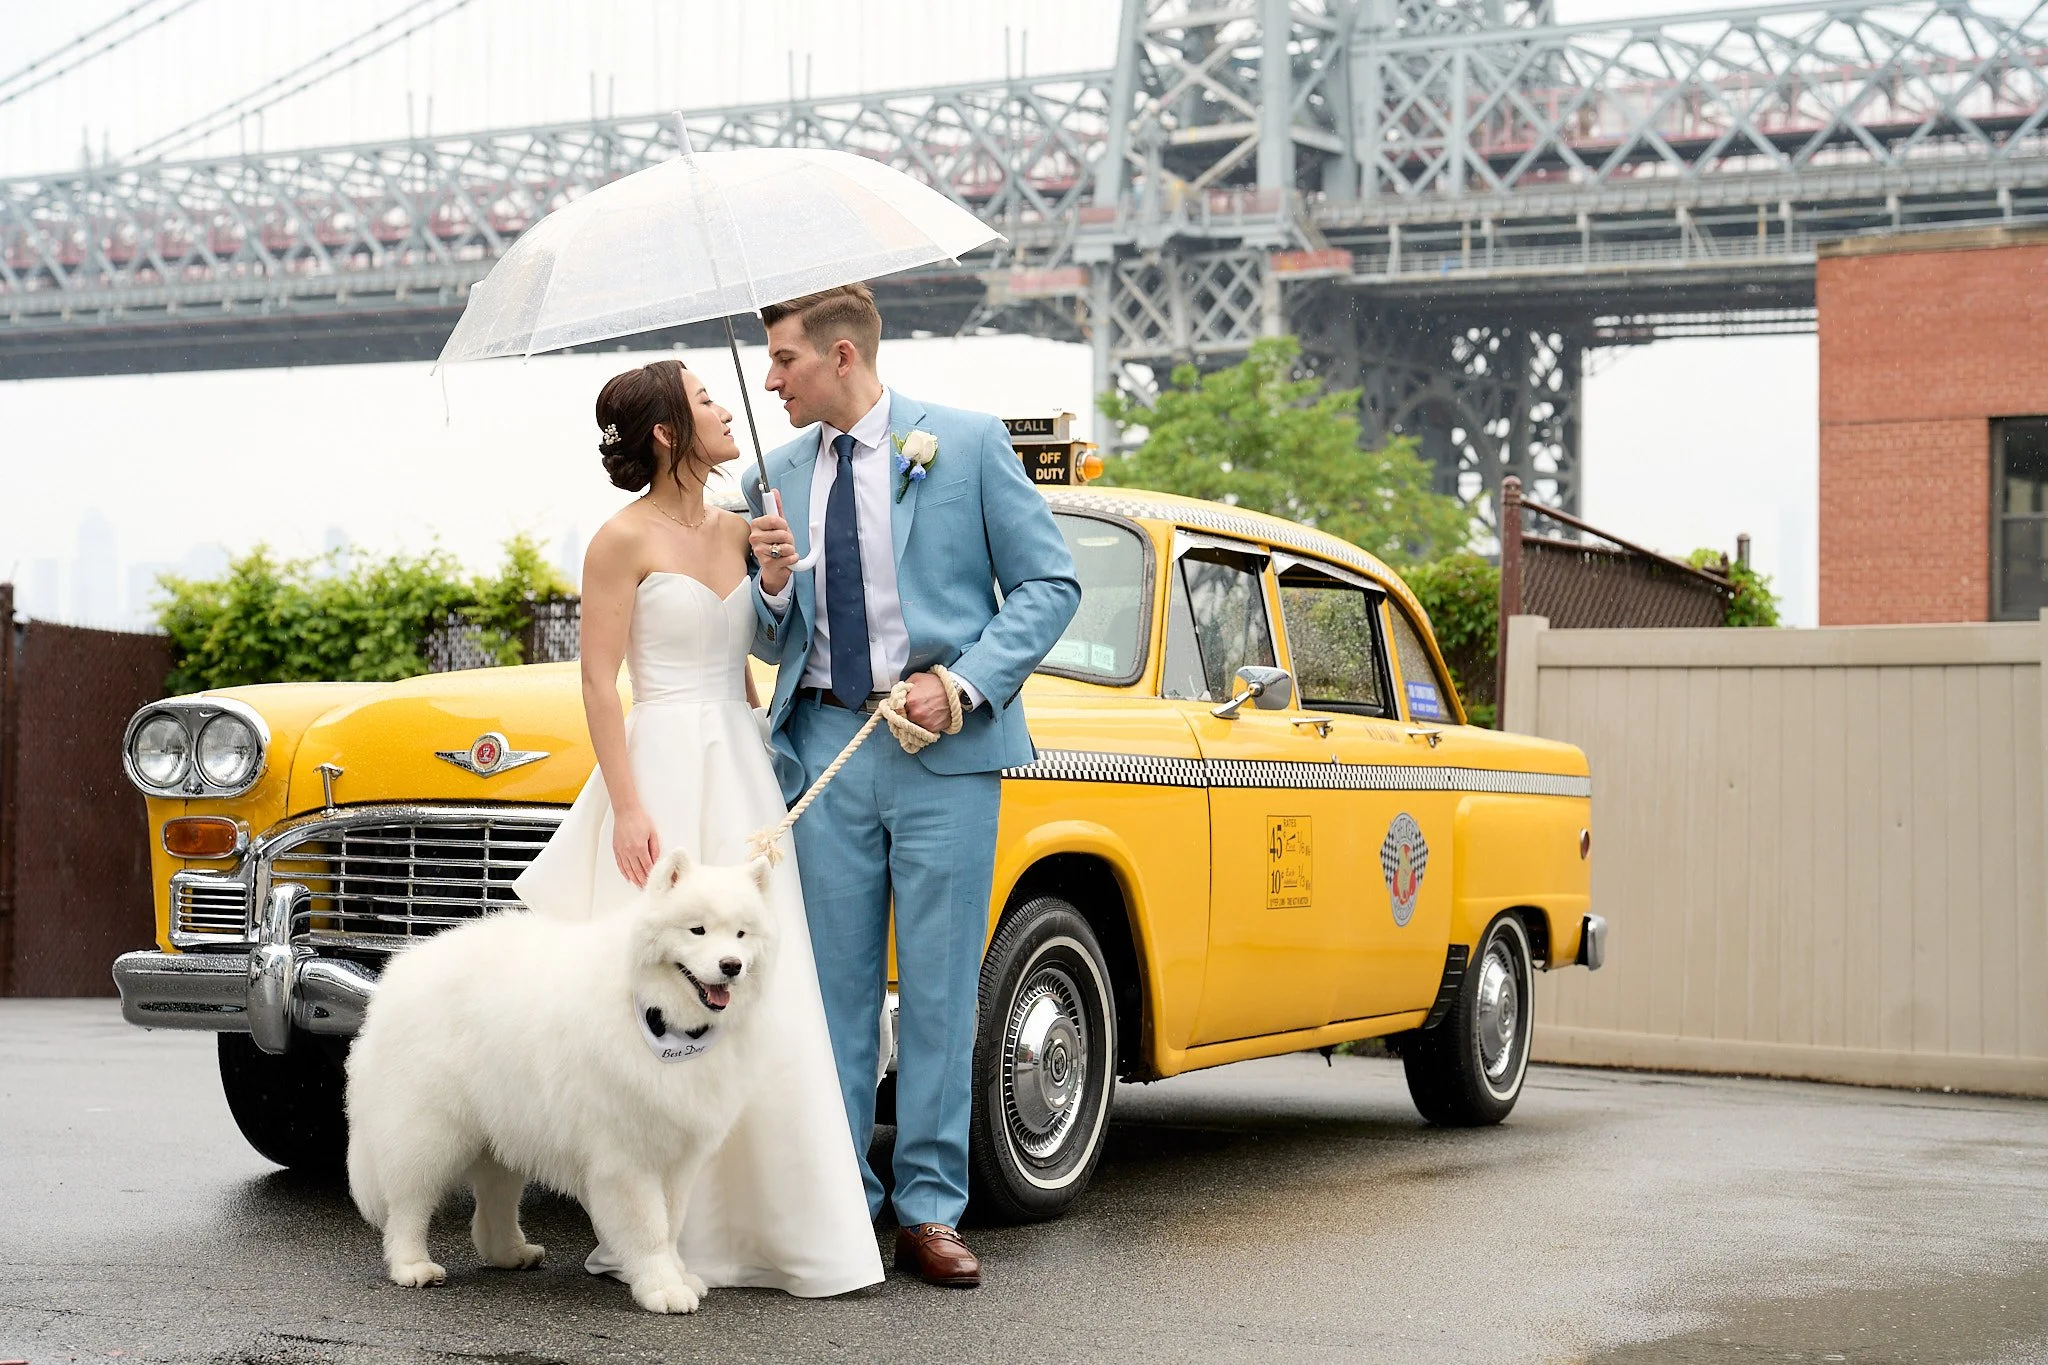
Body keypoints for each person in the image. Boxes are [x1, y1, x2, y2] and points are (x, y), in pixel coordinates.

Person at [513, 358, 883, 1298]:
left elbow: (765, 651)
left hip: (742, 761)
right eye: (708, 399)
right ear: (670, 433)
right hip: (661, 770)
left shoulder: (746, 525)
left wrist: (771, 581)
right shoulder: (618, 540)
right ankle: (656, 1225)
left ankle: (784, 1224)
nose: (729, 408)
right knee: (650, 995)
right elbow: (599, 679)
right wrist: (628, 805)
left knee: (764, 979)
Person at [745, 284, 1081, 1287]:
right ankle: (842, 1204)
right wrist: (764, 586)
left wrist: (963, 683)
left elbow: (1049, 584)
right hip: (823, 752)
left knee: (938, 990)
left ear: (841, 355)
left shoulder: (966, 444)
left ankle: (930, 1210)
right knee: (833, 996)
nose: (769, 380)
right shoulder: (774, 474)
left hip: (947, 756)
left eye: (785, 361)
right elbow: (769, 638)